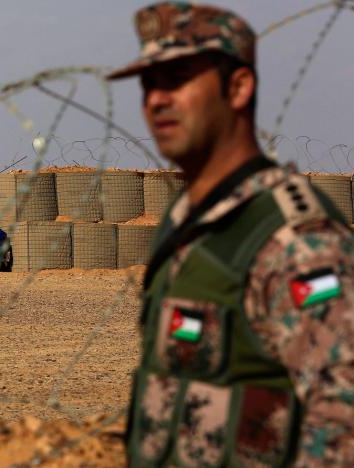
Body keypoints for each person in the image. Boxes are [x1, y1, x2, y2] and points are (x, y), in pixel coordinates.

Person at [107, 3, 354, 466]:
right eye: (149, 84)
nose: (157, 100)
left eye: (178, 78)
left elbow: (343, 422)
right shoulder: (183, 224)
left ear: (239, 87)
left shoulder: (295, 243)